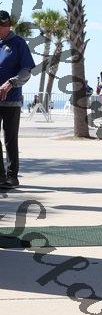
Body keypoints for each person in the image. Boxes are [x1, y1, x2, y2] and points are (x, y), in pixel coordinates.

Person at [0, 10, 35, 188]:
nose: (1, 28)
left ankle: (12, 176)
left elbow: (27, 70)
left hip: (11, 100)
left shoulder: (18, 43)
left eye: (3, 25)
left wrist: (11, 83)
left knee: (10, 139)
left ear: (9, 25)